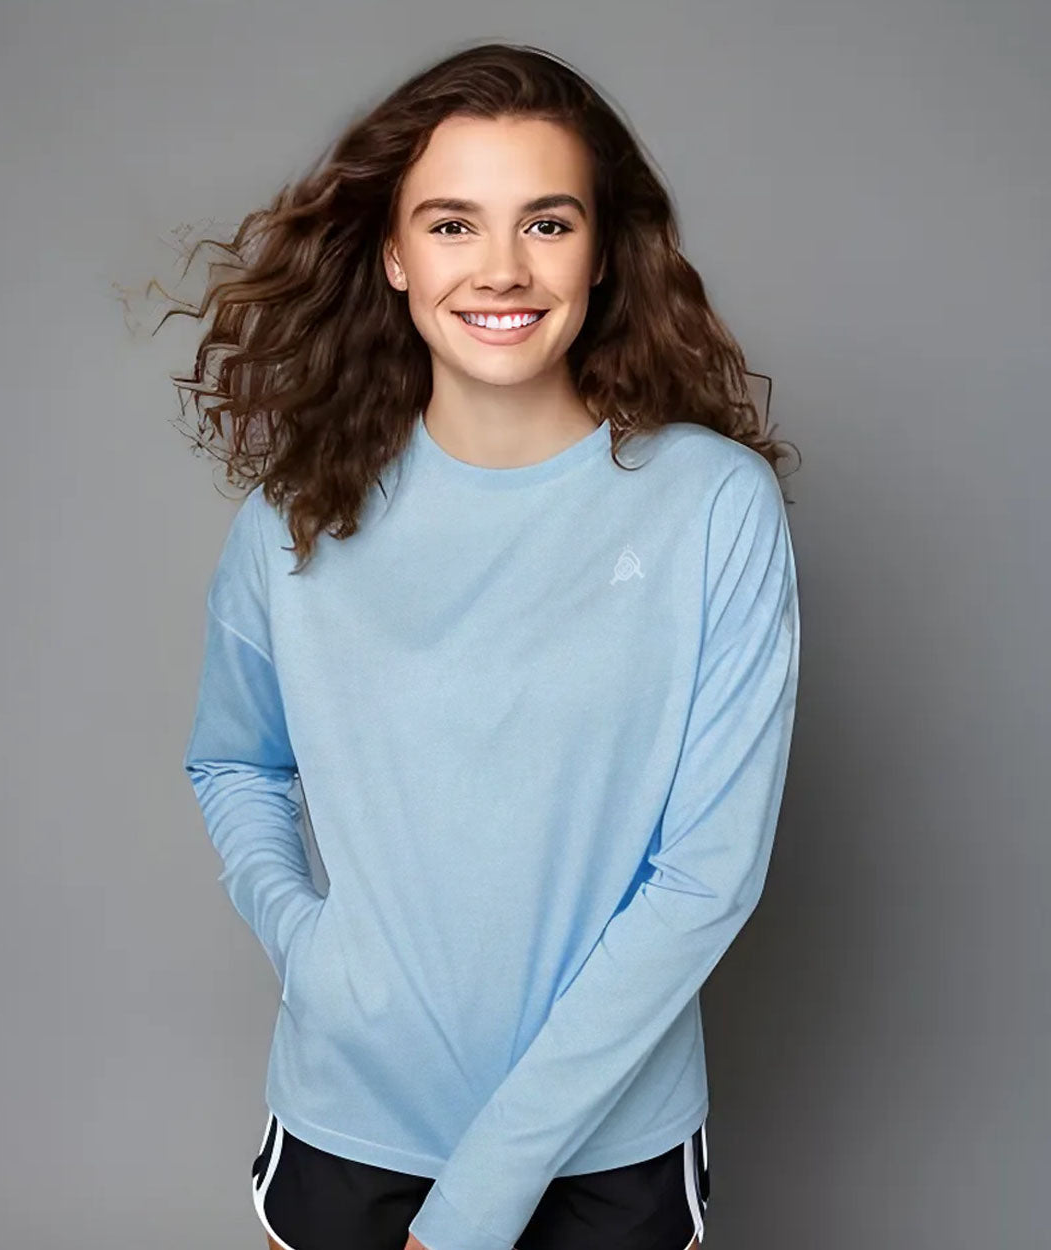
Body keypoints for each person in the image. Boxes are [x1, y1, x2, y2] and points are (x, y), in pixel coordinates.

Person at [178, 40, 801, 1250]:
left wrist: (478, 1201)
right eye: (454, 224)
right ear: (395, 255)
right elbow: (233, 760)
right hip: (347, 1125)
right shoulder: (295, 517)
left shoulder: (712, 508)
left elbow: (704, 877)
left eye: (548, 223)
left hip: (608, 1144)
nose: (503, 268)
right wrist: (313, 954)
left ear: (602, 250)